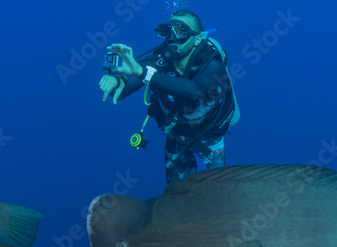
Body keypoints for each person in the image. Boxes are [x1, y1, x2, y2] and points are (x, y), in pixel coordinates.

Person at [99, 10, 239, 184]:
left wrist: (143, 73)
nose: (172, 38)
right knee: (175, 197)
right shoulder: (159, 60)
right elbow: (130, 82)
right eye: (167, 31)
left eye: (181, 31)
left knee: (214, 195)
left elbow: (193, 91)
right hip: (177, 136)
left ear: (197, 38)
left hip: (209, 138)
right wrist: (117, 81)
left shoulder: (212, 63)